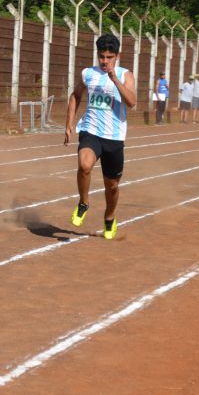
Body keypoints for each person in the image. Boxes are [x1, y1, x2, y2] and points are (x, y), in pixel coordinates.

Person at [64, 33, 136, 240]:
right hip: (91, 130)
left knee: (112, 186)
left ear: (117, 56)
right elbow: (76, 95)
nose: (105, 61)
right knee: (84, 165)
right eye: (101, 56)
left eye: (109, 57)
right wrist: (69, 123)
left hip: (114, 137)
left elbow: (132, 102)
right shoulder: (88, 74)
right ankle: (83, 202)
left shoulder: (125, 75)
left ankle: (109, 217)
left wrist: (115, 80)